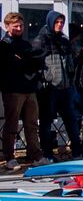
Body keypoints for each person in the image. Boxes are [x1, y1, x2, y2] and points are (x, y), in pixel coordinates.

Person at [34, 11, 83, 161]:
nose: (60, 25)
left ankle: (77, 152)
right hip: (49, 89)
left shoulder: (64, 40)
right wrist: (43, 81)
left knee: (71, 121)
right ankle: (47, 154)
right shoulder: (40, 40)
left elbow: (70, 62)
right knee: (46, 123)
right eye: (57, 22)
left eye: (62, 22)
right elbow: (35, 63)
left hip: (65, 87)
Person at [1, 12, 45, 169]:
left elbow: (32, 62)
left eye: (21, 25)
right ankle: (9, 157)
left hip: (29, 88)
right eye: (15, 26)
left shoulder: (26, 44)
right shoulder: (4, 45)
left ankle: (36, 155)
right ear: (7, 26)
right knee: (12, 125)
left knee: (32, 124)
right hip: (12, 89)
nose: (19, 28)